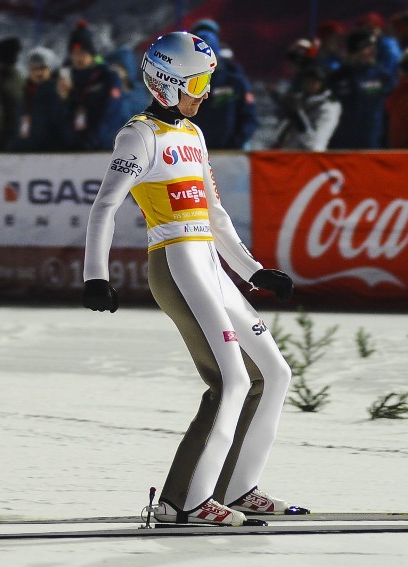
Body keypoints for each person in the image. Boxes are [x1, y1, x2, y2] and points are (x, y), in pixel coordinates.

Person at [82, 31, 303, 526]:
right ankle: (182, 501)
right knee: (230, 380)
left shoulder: (193, 135)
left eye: (207, 81)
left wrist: (253, 270)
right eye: (198, 82)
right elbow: (105, 207)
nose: (204, 92)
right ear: (165, 84)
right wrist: (95, 275)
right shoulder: (139, 135)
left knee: (275, 374)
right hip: (177, 265)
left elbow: (215, 212)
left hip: (211, 264)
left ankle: (236, 488)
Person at [186, 19, 258, 150]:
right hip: (192, 155)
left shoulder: (234, 79)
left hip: (228, 155)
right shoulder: (182, 81)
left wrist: (234, 146)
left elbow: (249, 118)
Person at [57, 19, 124, 151]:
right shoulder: (67, 78)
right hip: (73, 149)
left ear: (91, 54)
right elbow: (61, 118)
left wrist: (89, 143)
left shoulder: (108, 77)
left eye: (82, 53)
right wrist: (64, 99)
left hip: (103, 150)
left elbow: (109, 115)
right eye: (74, 54)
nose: (78, 58)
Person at [327, 29, 394, 149]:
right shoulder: (336, 78)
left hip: (374, 143)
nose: (373, 52)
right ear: (354, 51)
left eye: (374, 48)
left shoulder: (382, 77)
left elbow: (391, 111)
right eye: (367, 48)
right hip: (342, 145)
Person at [9, 46, 68, 152]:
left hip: (50, 156)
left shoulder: (57, 92)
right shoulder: (25, 94)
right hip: (25, 156)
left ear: (50, 69)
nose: (38, 73)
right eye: (34, 69)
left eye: (42, 68)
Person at [272, 64, 341, 150]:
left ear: (323, 83)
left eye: (314, 82)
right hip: (288, 153)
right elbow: (283, 129)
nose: (309, 85)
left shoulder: (329, 107)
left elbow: (315, 144)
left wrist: (298, 117)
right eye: (307, 81)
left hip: (309, 157)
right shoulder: (298, 99)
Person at [357, 12, 402, 78]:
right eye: (365, 30)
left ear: (379, 28)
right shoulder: (373, 45)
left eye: (371, 29)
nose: (368, 33)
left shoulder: (389, 46)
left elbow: (388, 70)